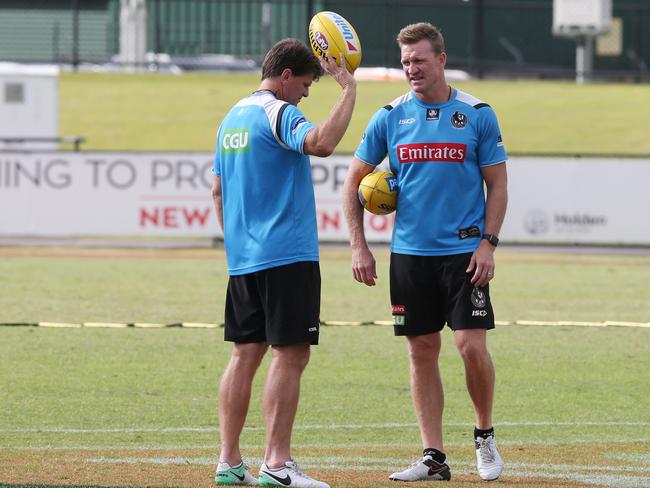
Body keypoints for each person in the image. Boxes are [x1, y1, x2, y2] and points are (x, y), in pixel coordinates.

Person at [342, 23, 507, 482]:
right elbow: (351, 183)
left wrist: (488, 243)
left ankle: (484, 435)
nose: (411, 69)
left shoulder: (477, 114)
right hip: (410, 256)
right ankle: (434, 456)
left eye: (419, 60)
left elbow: (498, 186)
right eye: (405, 62)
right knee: (421, 351)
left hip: (465, 255)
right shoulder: (390, 116)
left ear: (441, 59)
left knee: (470, 347)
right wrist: (360, 246)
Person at [211, 38, 356, 488]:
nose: (307, 95)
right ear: (287, 75)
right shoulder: (278, 112)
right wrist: (347, 90)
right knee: (290, 354)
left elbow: (217, 190)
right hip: (286, 255)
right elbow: (322, 143)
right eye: (307, 84)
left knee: (243, 355)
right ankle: (277, 463)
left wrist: (238, 243)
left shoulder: (231, 118)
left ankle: (230, 463)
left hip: (244, 260)